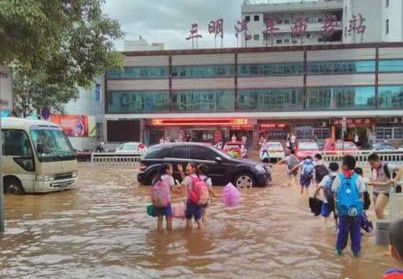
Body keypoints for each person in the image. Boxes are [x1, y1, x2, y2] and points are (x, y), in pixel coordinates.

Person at [332, 155, 366, 257]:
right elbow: (362, 194)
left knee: (342, 232)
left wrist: (336, 210)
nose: (341, 166)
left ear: (345, 166)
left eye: (342, 164)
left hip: (343, 211)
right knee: (356, 232)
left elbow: (334, 194)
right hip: (356, 211)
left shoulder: (338, 177)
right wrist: (361, 209)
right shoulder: (358, 178)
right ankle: (356, 253)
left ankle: (339, 251)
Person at [367, 153, 403, 219]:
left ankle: (386, 227)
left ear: (378, 160)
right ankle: (384, 225)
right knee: (378, 212)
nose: (372, 166)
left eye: (372, 163)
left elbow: (400, 169)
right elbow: (373, 178)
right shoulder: (373, 169)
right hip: (375, 191)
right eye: (370, 164)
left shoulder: (387, 166)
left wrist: (395, 180)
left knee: (378, 209)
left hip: (384, 191)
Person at [177, 163, 203, 229]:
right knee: (198, 219)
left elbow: (180, 187)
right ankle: (201, 235)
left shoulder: (188, 178)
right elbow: (186, 180)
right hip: (199, 201)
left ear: (193, 169)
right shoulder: (197, 177)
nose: (186, 168)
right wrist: (181, 171)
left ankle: (188, 236)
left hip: (191, 201)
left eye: (188, 166)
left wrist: (176, 185)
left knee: (188, 219)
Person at [313, 162, 339, 227]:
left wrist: (314, 196)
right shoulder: (341, 177)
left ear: (329, 169)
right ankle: (337, 228)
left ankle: (325, 230)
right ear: (338, 169)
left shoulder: (327, 177)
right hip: (339, 200)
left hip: (327, 200)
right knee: (337, 216)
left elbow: (319, 187)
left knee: (324, 216)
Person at [151, 163, 176, 231]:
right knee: (169, 220)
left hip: (157, 202)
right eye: (171, 169)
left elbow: (152, 191)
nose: (172, 170)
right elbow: (174, 190)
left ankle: (159, 238)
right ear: (167, 170)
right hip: (166, 202)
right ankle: (169, 238)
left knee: (160, 220)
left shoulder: (155, 178)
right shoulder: (170, 178)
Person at [354, 167, 373, 234]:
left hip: (355, 200)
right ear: (362, 173)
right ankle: (367, 228)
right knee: (362, 213)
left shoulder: (353, 179)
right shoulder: (364, 179)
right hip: (364, 199)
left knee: (357, 214)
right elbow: (371, 183)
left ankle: (358, 229)